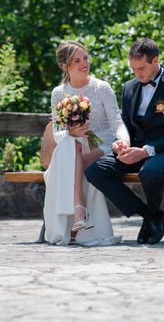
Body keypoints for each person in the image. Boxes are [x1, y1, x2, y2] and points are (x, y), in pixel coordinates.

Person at [85, 38, 164, 244]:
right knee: (95, 171)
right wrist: (121, 143)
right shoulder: (129, 87)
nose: (138, 74)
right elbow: (125, 124)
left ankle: (151, 218)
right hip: (138, 149)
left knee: (150, 171)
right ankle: (151, 216)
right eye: (133, 69)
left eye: (141, 68)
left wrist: (146, 151)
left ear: (155, 60)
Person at [44, 41, 128, 246]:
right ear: (65, 66)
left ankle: (77, 213)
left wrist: (124, 139)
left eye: (86, 58)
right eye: (77, 60)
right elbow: (57, 132)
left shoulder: (101, 88)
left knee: (72, 154)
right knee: (72, 145)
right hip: (74, 146)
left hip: (102, 144)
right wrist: (71, 131)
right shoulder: (58, 92)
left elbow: (117, 121)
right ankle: (79, 212)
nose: (85, 63)